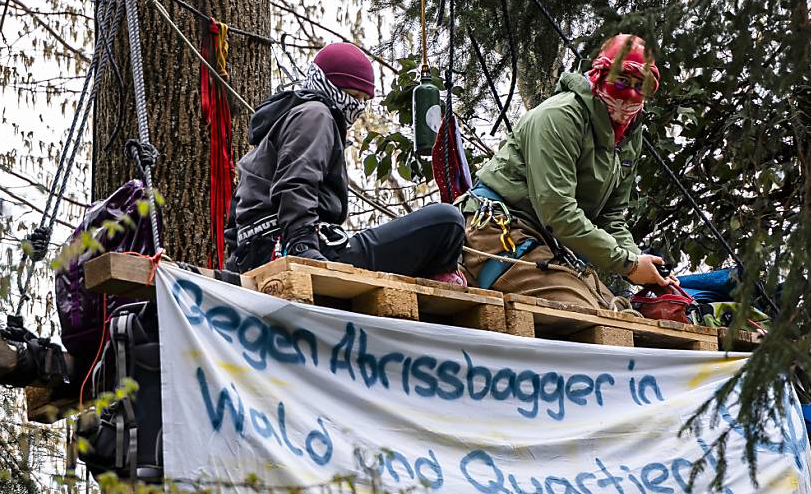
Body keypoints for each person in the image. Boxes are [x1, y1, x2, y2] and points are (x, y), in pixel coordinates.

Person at [459, 34, 677, 309]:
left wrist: (645, 268)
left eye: (640, 85)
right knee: (587, 313)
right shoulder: (559, 117)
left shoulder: (629, 136)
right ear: (600, 76)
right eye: (621, 81)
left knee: (623, 316)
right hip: (500, 231)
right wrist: (629, 265)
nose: (629, 94)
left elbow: (611, 217)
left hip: (547, 245)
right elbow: (558, 212)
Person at [225, 42, 466, 283]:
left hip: (262, 250)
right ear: (327, 85)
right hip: (294, 248)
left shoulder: (282, 126)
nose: (357, 107)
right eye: (352, 96)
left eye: (363, 99)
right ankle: (437, 275)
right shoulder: (315, 114)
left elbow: (236, 215)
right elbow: (297, 181)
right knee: (447, 220)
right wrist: (302, 246)